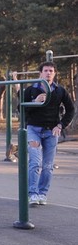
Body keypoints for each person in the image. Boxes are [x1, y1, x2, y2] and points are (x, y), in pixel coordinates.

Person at [23, 62, 75, 206]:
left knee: (47, 165)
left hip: (51, 131)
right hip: (34, 130)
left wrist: (61, 125)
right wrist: (34, 102)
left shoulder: (59, 91)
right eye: (45, 70)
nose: (48, 73)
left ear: (54, 73)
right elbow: (21, 109)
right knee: (35, 162)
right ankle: (32, 194)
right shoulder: (31, 89)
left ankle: (42, 193)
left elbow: (70, 110)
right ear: (40, 73)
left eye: (51, 71)